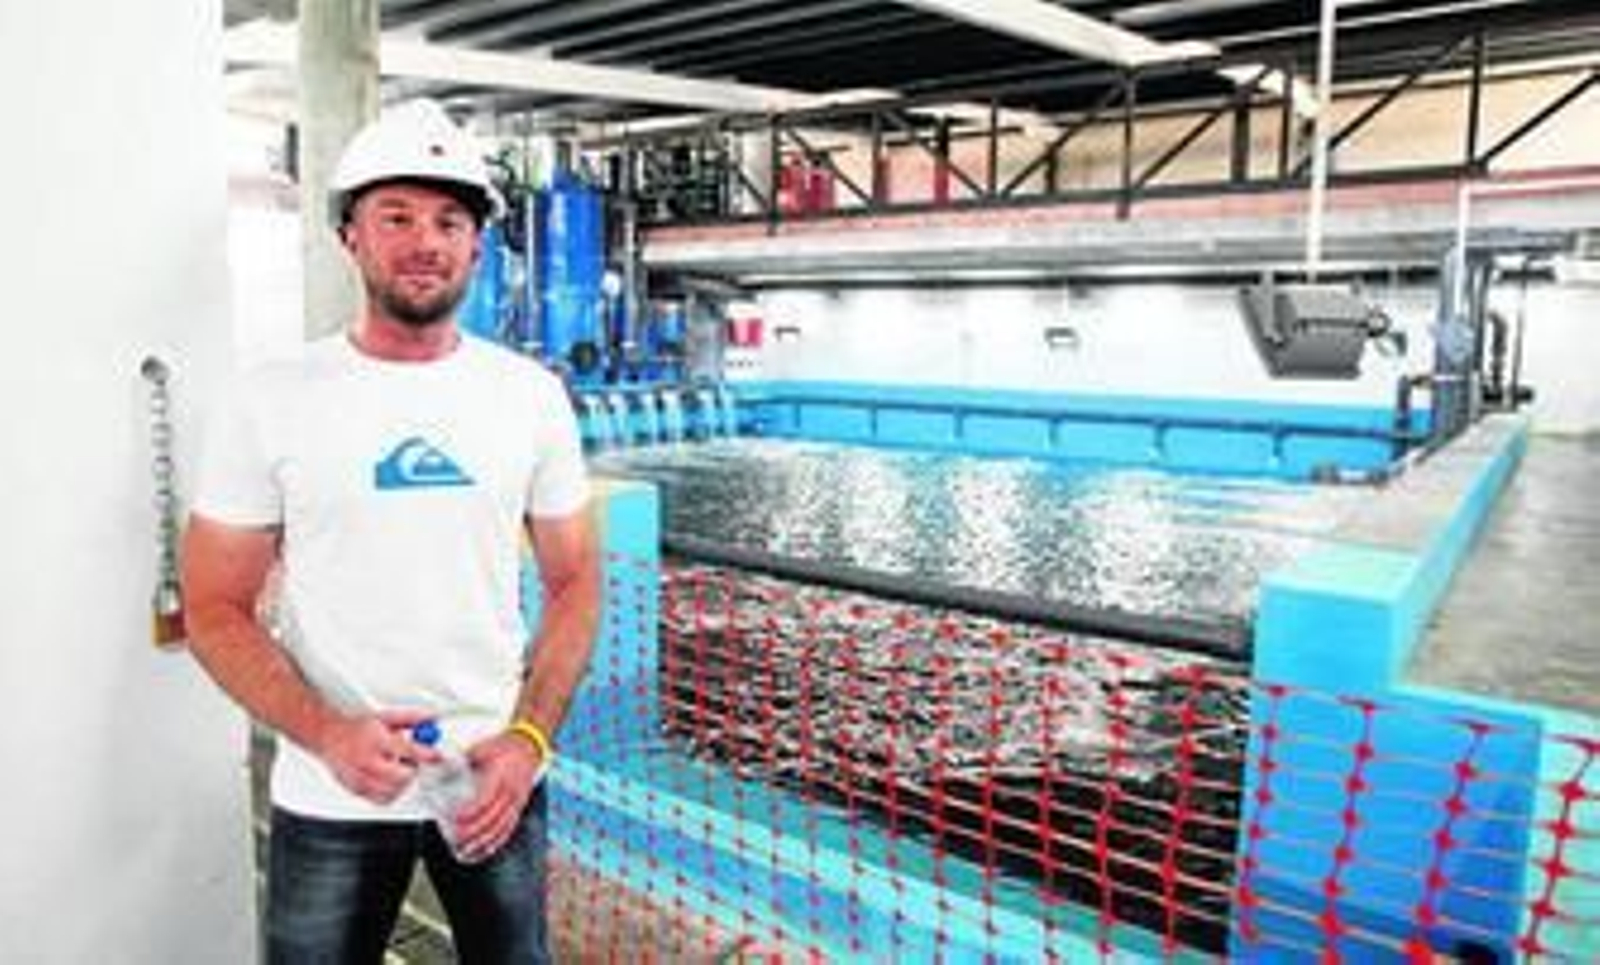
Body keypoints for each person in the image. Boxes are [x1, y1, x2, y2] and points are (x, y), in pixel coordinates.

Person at [182, 99, 601, 963]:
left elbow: (576, 582)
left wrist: (528, 740)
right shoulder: (272, 397)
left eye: (449, 221)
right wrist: (327, 733)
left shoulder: (529, 396)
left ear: (477, 247)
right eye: (397, 216)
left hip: (493, 777)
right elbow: (213, 606)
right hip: (331, 787)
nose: (425, 241)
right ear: (350, 235)